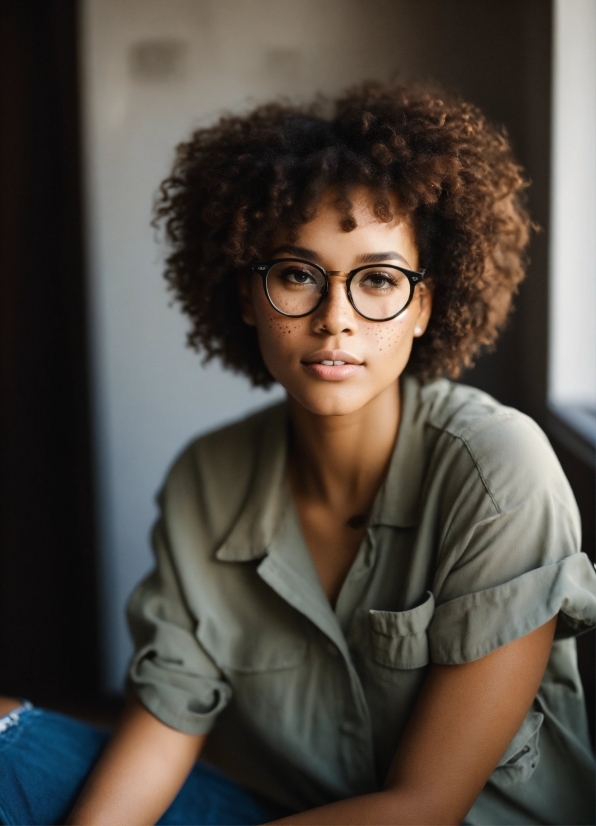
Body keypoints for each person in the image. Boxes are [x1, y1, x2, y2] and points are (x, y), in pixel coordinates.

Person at [1, 80, 595, 826]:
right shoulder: (206, 481)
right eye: (296, 275)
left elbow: (425, 806)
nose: (334, 319)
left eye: (378, 280)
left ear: (424, 307)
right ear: (248, 296)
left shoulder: (499, 470)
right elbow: (165, 727)